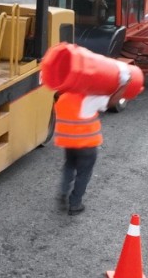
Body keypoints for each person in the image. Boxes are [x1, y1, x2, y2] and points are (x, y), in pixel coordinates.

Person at [55, 68, 130, 215]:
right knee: (84, 173)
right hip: (87, 145)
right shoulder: (90, 98)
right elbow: (112, 102)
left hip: (69, 142)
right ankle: (75, 204)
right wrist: (124, 84)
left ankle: (63, 192)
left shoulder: (64, 97)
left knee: (69, 166)